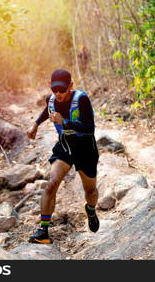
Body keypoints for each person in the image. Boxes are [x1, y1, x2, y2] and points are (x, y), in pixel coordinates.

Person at [27, 69, 100, 244]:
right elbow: (48, 110)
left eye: (62, 90)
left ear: (71, 86)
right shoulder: (51, 99)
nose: (58, 94)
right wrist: (35, 124)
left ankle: (90, 209)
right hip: (65, 147)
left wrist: (64, 122)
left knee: (90, 190)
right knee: (51, 184)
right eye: (55, 90)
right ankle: (43, 231)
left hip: (85, 149)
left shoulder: (81, 99)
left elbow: (90, 128)